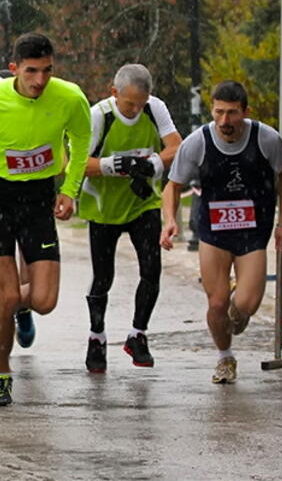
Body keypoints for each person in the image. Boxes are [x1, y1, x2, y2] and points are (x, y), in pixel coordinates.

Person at [0, 33, 91, 406]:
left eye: (47, 71)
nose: (39, 81)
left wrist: (70, 189)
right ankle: (3, 374)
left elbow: (80, 143)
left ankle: (7, 305)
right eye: (31, 71)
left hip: (39, 199)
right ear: (13, 69)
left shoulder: (70, 97)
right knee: (9, 294)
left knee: (43, 301)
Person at [160, 80, 282, 384]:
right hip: (213, 231)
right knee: (217, 303)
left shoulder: (266, 138)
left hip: (253, 231)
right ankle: (224, 358)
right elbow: (172, 185)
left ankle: (236, 310)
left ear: (245, 112)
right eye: (219, 112)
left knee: (246, 304)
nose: (224, 121)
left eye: (232, 114)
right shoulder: (198, 141)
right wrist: (170, 220)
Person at [79, 64, 181, 372]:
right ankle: (96, 338)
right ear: (114, 93)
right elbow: (76, 163)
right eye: (129, 104)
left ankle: (138, 334)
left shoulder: (155, 108)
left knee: (151, 270)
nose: (136, 110)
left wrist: (153, 164)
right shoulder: (100, 115)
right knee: (103, 276)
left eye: (141, 103)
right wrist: (112, 165)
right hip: (104, 208)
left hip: (142, 203)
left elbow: (176, 147)